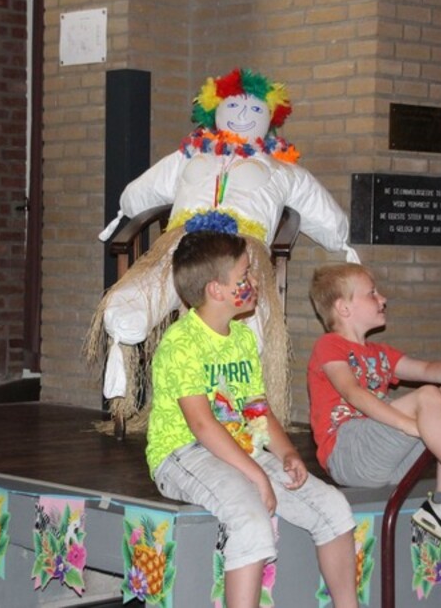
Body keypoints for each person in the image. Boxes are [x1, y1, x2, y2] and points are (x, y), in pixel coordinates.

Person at [86, 68, 358, 432]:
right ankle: (126, 362)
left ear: (271, 116)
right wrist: (125, 210)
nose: (243, 114)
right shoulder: (188, 156)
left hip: (242, 251)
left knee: (249, 317)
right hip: (183, 243)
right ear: (214, 108)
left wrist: (342, 242)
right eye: (233, 105)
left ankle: (238, 410)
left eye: (255, 109)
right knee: (130, 301)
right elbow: (139, 193)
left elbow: (323, 212)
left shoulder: (282, 169)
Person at [147, 230, 358, 608]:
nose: (255, 282)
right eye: (245, 276)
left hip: (238, 448)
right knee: (251, 520)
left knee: (333, 508)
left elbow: (256, 410)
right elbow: (202, 426)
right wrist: (257, 474)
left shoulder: (243, 339)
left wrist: (287, 453)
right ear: (216, 290)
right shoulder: (181, 343)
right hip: (183, 453)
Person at [306, 263, 441, 556]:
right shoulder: (329, 346)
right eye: (372, 293)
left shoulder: (380, 354)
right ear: (343, 308)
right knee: (427, 396)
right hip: (349, 451)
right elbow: (353, 393)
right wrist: (407, 425)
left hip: (387, 459)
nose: (383, 299)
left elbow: (427, 369)